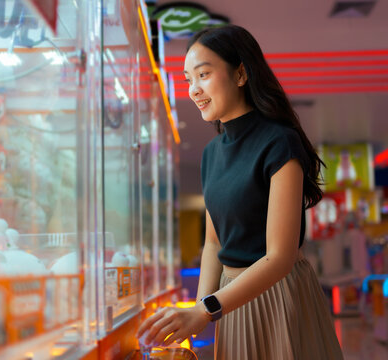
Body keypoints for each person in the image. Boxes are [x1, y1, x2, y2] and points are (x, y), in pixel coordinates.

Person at [137, 25, 344, 360]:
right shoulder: (211, 154)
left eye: (203, 74)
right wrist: (201, 311)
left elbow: (280, 257)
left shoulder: (279, 142)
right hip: (229, 303)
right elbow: (214, 243)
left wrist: (205, 311)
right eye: (188, 79)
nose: (193, 89)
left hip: (278, 295)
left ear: (241, 74)